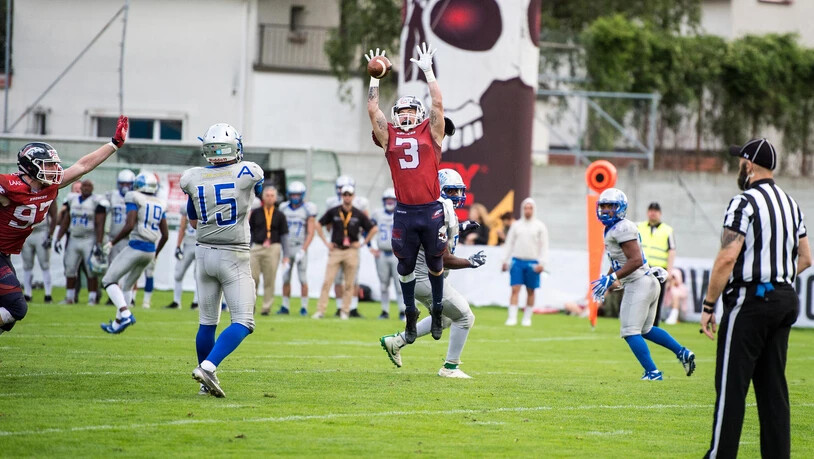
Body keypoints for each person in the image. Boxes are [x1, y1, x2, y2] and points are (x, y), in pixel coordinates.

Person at [700, 138, 810, 459]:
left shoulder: (743, 202)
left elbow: (726, 258)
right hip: (784, 299)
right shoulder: (791, 204)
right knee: (773, 390)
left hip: (750, 302)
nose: (738, 166)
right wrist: (778, 281)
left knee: (731, 388)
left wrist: (709, 305)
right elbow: (806, 258)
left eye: (740, 161)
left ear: (749, 165)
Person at [0, 115, 129, 336]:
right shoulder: (9, 186)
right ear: (30, 167)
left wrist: (114, 144)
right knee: (16, 307)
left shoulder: (49, 186)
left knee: (8, 319)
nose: (54, 168)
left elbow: (83, 165)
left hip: (6, 253)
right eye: (48, 164)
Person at [367, 43, 448, 343]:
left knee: (436, 264)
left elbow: (438, 105)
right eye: (400, 111)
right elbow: (372, 109)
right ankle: (410, 312)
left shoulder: (432, 131)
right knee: (404, 267)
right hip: (403, 210)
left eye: (411, 110)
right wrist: (375, 77)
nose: (405, 115)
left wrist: (428, 71)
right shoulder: (388, 135)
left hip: (430, 210)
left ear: (420, 113)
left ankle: (437, 310)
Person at [182, 123, 264, 398]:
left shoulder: (193, 176)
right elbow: (260, 192)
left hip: (203, 253)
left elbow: (192, 215)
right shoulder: (247, 171)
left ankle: (206, 383)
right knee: (244, 321)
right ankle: (208, 366)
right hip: (233, 254)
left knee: (207, 322)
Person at [380, 169, 486, 378]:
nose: (457, 196)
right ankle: (450, 367)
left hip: (423, 277)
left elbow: (442, 234)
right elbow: (443, 258)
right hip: (423, 278)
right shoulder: (437, 212)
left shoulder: (436, 210)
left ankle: (396, 342)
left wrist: (462, 226)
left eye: (458, 191)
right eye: (451, 191)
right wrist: (469, 262)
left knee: (447, 319)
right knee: (465, 317)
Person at [590, 188, 696, 381]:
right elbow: (619, 262)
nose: (605, 210)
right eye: (603, 206)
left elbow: (635, 260)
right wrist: (606, 281)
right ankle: (682, 352)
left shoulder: (622, 228)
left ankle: (653, 372)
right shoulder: (615, 228)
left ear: (620, 208)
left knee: (630, 332)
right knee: (646, 330)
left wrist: (612, 279)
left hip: (639, 282)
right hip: (646, 281)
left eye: (610, 206)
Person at [100, 172, 168, 334]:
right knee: (128, 286)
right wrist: (156, 254)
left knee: (108, 280)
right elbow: (165, 235)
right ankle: (117, 324)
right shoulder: (160, 202)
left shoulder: (134, 196)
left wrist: (112, 242)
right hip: (150, 250)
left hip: (136, 246)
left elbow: (130, 224)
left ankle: (126, 313)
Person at [314, 185, 377, 319]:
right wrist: (326, 242)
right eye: (345, 195)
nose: (347, 197)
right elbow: (318, 223)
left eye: (349, 195)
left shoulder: (358, 213)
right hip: (336, 249)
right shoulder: (334, 211)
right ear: (342, 196)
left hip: (351, 251)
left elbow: (373, 228)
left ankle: (345, 310)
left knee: (350, 283)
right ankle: (320, 310)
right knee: (327, 281)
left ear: (353, 196)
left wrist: (363, 242)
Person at [55, 179, 108, 304]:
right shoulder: (72, 199)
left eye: (89, 186)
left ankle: (92, 298)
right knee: (70, 267)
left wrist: (98, 243)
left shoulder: (96, 201)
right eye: (84, 186)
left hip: (88, 239)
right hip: (74, 238)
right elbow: (66, 220)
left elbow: (100, 224)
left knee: (91, 270)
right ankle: (69, 297)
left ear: (92, 188)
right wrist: (58, 237)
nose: (86, 188)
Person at [325, 175, 368, 317]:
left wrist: (362, 240)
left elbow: (367, 223)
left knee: (353, 278)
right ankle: (339, 307)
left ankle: (353, 307)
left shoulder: (360, 204)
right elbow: (328, 226)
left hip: (352, 247)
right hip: (337, 247)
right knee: (337, 278)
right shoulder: (332, 204)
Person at [502, 198, 549, 327]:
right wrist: (504, 260)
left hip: (533, 262)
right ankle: (512, 317)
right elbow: (509, 244)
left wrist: (542, 263)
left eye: (530, 208)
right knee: (515, 288)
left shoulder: (540, 226)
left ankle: (527, 318)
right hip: (517, 261)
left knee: (531, 290)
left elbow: (544, 246)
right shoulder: (516, 225)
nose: (528, 210)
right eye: (526, 208)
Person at [248, 185, 289, 316]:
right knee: (252, 278)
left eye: (272, 196)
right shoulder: (256, 213)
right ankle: (250, 306)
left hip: (273, 247)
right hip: (257, 247)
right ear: (263, 197)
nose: (270, 198)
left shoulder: (280, 215)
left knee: (269, 279)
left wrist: (286, 255)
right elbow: (250, 231)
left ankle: (266, 308)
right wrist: (247, 247)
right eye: (267, 195)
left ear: (276, 198)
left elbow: (284, 236)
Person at [279, 181, 316, 316]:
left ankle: (304, 307)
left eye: (297, 194)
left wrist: (303, 249)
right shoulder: (283, 208)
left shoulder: (308, 209)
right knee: (285, 278)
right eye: (293, 194)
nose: (295, 197)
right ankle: (285, 306)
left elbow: (311, 232)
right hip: (287, 248)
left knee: (302, 278)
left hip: (300, 246)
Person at [637, 202, 676, 326]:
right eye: (651, 210)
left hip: (660, 270)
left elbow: (672, 251)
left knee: (656, 299)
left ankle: (653, 326)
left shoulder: (667, 230)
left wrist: (669, 271)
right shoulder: (639, 227)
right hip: (643, 268)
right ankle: (638, 323)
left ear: (660, 213)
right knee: (640, 297)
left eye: (655, 211)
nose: (653, 213)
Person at [370, 187, 405, 320]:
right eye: (387, 200)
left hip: (397, 255)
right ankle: (384, 311)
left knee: (400, 284)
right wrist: (371, 246)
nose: (390, 202)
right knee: (383, 284)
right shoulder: (377, 214)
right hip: (382, 253)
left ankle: (402, 311)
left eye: (392, 200)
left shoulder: (401, 213)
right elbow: (368, 230)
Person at [20, 202, 57, 303]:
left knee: (45, 264)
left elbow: (54, 216)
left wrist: (50, 235)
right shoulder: (24, 191)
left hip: (42, 232)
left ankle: (48, 294)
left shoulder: (48, 192)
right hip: (27, 232)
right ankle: (27, 294)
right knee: (27, 265)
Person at [165, 214, 198, 309]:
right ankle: (176, 301)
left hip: (201, 245)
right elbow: (182, 227)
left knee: (199, 276)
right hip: (188, 245)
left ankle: (196, 302)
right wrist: (178, 245)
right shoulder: (186, 207)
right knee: (178, 274)